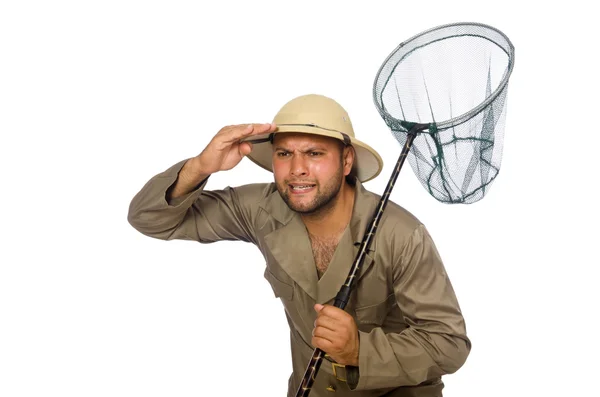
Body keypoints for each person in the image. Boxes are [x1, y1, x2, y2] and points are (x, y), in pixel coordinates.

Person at [128, 94, 470, 397]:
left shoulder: (402, 234)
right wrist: (200, 168)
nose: (297, 170)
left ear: (347, 161)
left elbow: (449, 344)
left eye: (315, 153)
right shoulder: (260, 209)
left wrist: (359, 351)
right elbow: (149, 218)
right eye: (284, 153)